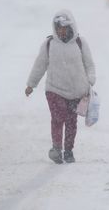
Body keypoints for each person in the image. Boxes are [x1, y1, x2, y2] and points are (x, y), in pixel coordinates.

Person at [25, 10, 96, 164]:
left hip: (76, 92)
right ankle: (56, 149)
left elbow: (89, 64)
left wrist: (90, 80)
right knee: (57, 118)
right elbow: (40, 65)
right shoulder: (49, 45)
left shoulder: (80, 43)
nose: (61, 31)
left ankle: (68, 151)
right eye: (58, 28)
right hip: (54, 90)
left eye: (64, 28)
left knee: (71, 121)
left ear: (71, 27)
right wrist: (31, 84)